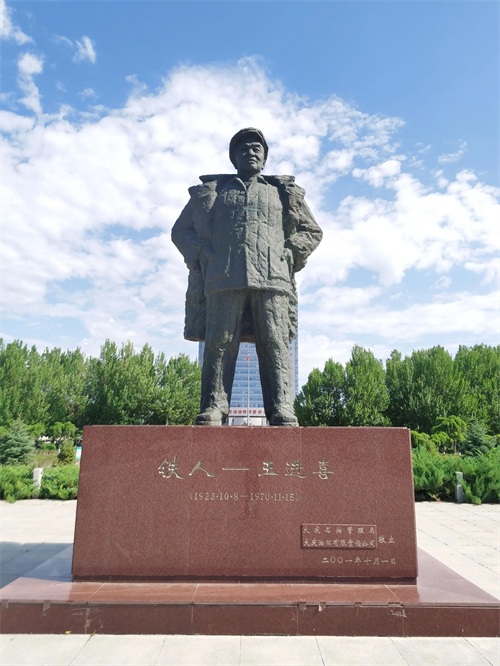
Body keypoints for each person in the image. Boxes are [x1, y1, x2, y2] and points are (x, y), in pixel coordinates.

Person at [172, 128, 322, 426]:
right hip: (223, 276)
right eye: (243, 149)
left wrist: (290, 252)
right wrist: (203, 254)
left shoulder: (281, 192)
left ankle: (281, 406)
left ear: (264, 158)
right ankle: (214, 404)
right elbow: (181, 231)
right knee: (220, 342)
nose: (250, 152)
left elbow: (311, 230)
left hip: (272, 278)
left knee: (275, 340)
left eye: (256, 148)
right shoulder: (214, 192)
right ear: (234, 158)